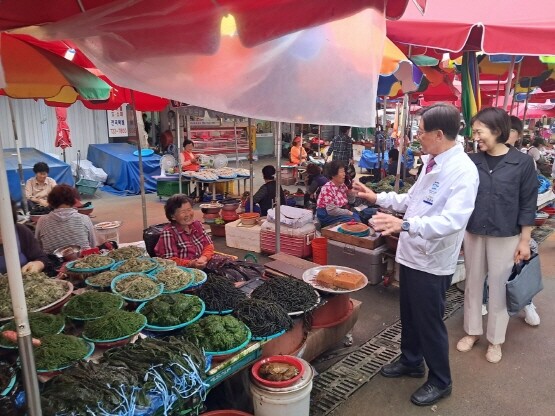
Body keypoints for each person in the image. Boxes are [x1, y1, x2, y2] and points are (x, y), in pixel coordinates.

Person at [354, 103, 479, 406]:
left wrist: (405, 224)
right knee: (409, 314)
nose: (417, 137)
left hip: (432, 260)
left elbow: (452, 222)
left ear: (439, 134)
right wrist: (377, 197)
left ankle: (440, 380)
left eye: (420, 132)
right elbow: (412, 200)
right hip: (411, 254)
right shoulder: (432, 162)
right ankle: (411, 361)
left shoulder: (463, 171)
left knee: (429, 321)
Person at [456, 107, 537, 364]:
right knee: (473, 284)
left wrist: (525, 241)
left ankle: (495, 340)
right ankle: (472, 332)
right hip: (474, 231)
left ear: (497, 131)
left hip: (506, 234)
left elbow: (528, 203)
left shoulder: (522, 163)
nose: (475, 136)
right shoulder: (470, 160)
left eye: (479, 131)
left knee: (500, 288)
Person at [154, 194, 214, 268]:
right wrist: (192, 264)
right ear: (172, 216)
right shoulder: (169, 233)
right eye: (183, 212)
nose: (188, 214)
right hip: (185, 270)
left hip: (204, 262)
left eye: (189, 210)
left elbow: (208, 245)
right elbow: (170, 260)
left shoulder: (197, 225)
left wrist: (204, 258)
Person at [35, 184, 97, 254]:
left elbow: (37, 247)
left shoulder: (42, 221)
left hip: (53, 263)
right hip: (83, 261)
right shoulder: (84, 219)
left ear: (51, 201)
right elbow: (93, 245)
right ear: (74, 200)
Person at [0, 201, 49, 274]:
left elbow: (41, 257)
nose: (2, 235)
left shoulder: (21, 231)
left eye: (5, 227)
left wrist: (37, 264)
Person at [316, 160, 359, 227]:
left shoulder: (343, 185)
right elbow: (331, 211)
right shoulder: (327, 188)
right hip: (327, 215)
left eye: (344, 171)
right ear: (333, 175)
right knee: (355, 221)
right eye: (341, 172)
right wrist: (348, 212)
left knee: (361, 215)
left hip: (340, 211)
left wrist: (351, 193)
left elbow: (351, 201)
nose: (344, 174)